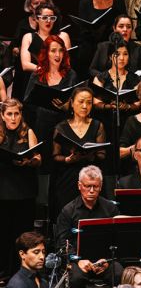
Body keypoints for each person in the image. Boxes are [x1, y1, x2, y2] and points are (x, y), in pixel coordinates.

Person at [55, 165, 122, 288]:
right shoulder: (68, 211)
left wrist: (107, 259)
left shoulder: (111, 208)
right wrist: (77, 260)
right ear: (79, 186)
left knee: (120, 274)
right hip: (79, 261)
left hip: (105, 259)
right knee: (76, 278)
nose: (91, 190)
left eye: (95, 186)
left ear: (100, 186)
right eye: (87, 186)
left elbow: (118, 239)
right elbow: (61, 243)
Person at [23, 34, 78, 172]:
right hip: (42, 126)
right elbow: (28, 102)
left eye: (61, 50)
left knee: (62, 168)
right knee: (45, 168)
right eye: (53, 50)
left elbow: (77, 101)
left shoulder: (71, 74)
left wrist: (68, 106)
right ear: (46, 53)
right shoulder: (37, 74)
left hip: (64, 128)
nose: (57, 54)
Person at [52, 87, 106, 219]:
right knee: (68, 218)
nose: (85, 106)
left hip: (91, 179)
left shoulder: (97, 125)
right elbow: (55, 156)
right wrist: (67, 160)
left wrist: (91, 156)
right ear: (72, 102)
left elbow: (102, 154)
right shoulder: (61, 127)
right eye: (81, 101)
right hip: (68, 178)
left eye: (89, 102)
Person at [0, 100, 41, 277]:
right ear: (2, 115)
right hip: (3, 190)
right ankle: (3, 271)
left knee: (23, 234)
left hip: (24, 190)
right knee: (3, 233)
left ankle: (21, 272)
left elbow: (39, 158)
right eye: (9, 114)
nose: (13, 117)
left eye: (16, 113)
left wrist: (29, 161)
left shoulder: (28, 132)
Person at [92, 39, 141, 177]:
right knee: (108, 162)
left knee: (126, 162)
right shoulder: (101, 78)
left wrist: (128, 106)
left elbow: (139, 102)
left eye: (125, 54)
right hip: (107, 123)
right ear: (110, 56)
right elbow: (95, 102)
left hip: (127, 123)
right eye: (117, 54)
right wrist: (108, 106)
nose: (121, 58)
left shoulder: (134, 78)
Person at [75, 0, 127, 78]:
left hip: (110, 49)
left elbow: (123, 24)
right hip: (89, 49)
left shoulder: (118, 2)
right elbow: (83, 29)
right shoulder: (85, 3)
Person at [10, 0, 55, 98]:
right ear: (30, 6)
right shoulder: (23, 26)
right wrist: (18, 50)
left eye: (42, 3)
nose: (39, 5)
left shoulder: (53, 25)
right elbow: (14, 45)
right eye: (36, 3)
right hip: (28, 68)